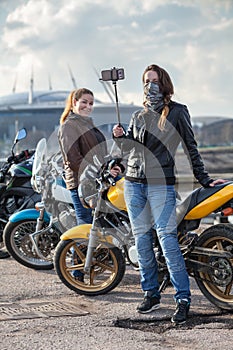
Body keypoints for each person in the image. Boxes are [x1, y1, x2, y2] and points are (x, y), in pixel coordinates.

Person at [112, 64, 226, 324]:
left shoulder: (177, 112)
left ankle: (183, 298)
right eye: (145, 81)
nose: (149, 85)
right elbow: (130, 149)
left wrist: (204, 179)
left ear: (163, 83)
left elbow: (190, 147)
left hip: (160, 183)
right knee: (141, 239)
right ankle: (150, 293)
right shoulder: (137, 116)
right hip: (133, 183)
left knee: (166, 236)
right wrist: (118, 138)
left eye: (153, 80)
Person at [58, 88, 121, 279]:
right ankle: (78, 272)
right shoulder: (69, 126)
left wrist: (113, 164)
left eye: (91, 103)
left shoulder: (88, 124)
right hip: (82, 185)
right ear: (74, 102)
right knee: (85, 226)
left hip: (98, 182)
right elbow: (74, 160)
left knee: (107, 222)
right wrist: (102, 172)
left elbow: (99, 155)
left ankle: (104, 259)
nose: (88, 106)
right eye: (84, 102)